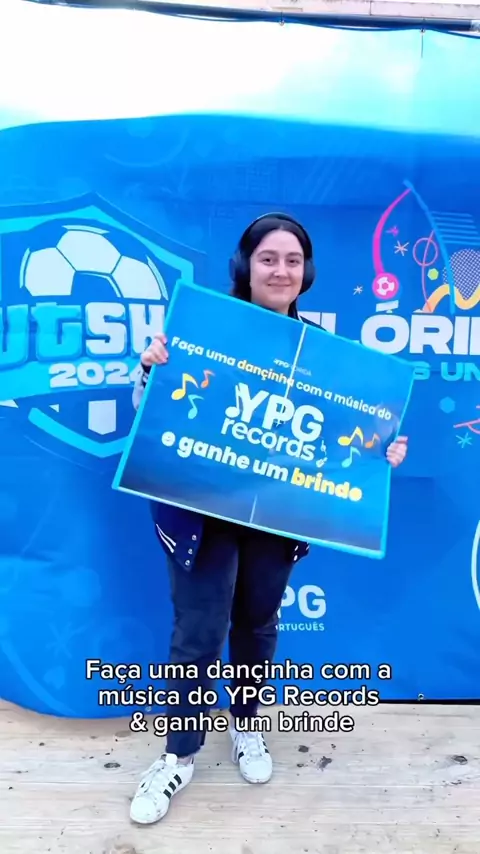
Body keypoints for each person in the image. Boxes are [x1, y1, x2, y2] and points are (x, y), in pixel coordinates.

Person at [128, 213, 408, 825]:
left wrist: (380, 453)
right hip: (199, 511)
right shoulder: (201, 331)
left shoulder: (327, 359)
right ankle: (178, 754)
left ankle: (246, 726)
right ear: (245, 266)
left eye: (292, 260)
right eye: (268, 258)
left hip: (276, 513)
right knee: (198, 633)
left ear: (307, 272)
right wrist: (150, 370)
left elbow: (349, 441)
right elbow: (151, 411)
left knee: (257, 626)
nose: (280, 270)